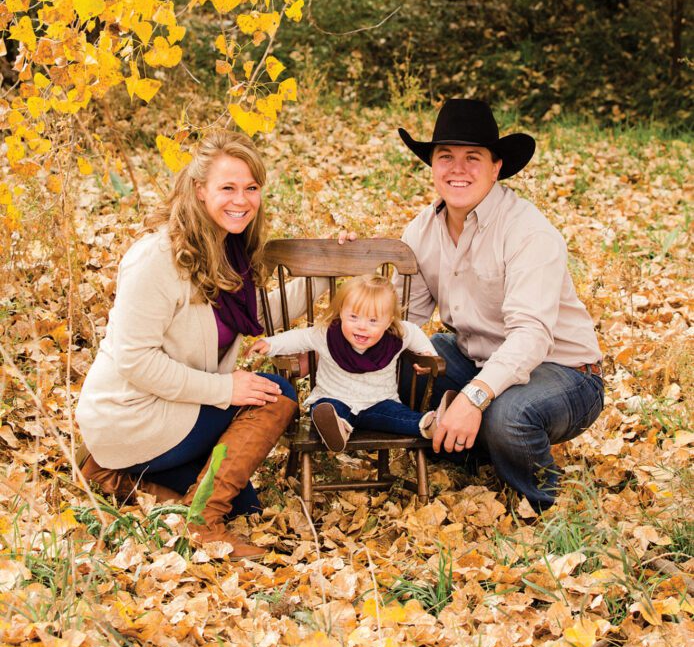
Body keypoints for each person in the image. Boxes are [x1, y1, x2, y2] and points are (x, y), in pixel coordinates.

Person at [76, 130, 310, 559]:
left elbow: (258, 316)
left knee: (246, 507)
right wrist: (225, 389)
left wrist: (328, 278)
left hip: (176, 409)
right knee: (277, 394)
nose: (242, 200)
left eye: (251, 188)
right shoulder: (156, 257)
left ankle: (111, 475)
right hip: (131, 414)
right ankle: (200, 522)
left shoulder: (227, 250)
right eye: (228, 188)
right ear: (200, 190)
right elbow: (135, 360)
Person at [393, 98, 604, 512]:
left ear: (496, 167)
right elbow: (404, 323)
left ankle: (542, 503)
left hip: (565, 372)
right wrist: (352, 262)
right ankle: (475, 452)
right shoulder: (421, 230)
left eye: (473, 157)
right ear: (432, 164)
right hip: (477, 359)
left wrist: (472, 397)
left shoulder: (528, 231)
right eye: (446, 156)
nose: (457, 169)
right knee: (407, 362)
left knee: (506, 415)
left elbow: (531, 337)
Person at [247, 274, 451, 452]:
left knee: (398, 416)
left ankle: (431, 424)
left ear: (388, 321)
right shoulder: (327, 335)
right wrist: (270, 344)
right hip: (334, 398)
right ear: (341, 313)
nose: (362, 326)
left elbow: (415, 333)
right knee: (326, 409)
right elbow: (299, 338)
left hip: (379, 402)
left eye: (373, 321)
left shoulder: (397, 336)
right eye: (353, 317)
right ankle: (337, 430)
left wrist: (428, 353)